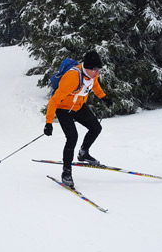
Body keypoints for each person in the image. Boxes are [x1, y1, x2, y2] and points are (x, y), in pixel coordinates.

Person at [43, 51, 113, 188]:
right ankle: (66, 172)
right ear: (87, 67)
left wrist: (104, 98)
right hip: (63, 109)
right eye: (94, 69)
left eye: (98, 69)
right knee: (72, 137)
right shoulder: (73, 77)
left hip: (78, 106)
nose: (97, 72)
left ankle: (83, 153)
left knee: (96, 128)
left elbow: (95, 86)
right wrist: (48, 123)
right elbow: (54, 100)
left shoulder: (92, 76)